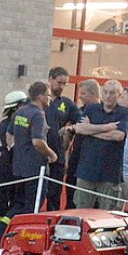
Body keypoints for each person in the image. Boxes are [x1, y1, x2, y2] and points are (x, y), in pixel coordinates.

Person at [69, 79, 128, 209]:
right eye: (106, 92)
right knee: (81, 212)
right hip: (86, 171)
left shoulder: (124, 112)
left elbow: (118, 136)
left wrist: (91, 129)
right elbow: (80, 129)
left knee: (108, 215)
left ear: (119, 95)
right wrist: (107, 127)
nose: (108, 96)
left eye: (113, 93)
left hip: (110, 174)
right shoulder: (91, 108)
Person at [6, 81, 57, 220]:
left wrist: (14, 148)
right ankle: (18, 235)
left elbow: (9, 134)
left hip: (19, 168)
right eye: (48, 95)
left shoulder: (20, 111)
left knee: (18, 204)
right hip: (35, 169)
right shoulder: (38, 115)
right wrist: (52, 155)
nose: (50, 98)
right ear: (40, 96)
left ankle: (1, 232)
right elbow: (37, 141)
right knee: (32, 206)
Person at [41, 66, 79, 210]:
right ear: (50, 79)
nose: (61, 86)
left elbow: (81, 121)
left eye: (65, 84)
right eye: (59, 82)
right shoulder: (38, 100)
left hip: (57, 156)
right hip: (38, 155)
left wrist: (70, 130)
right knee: (35, 197)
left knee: (54, 196)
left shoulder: (67, 104)